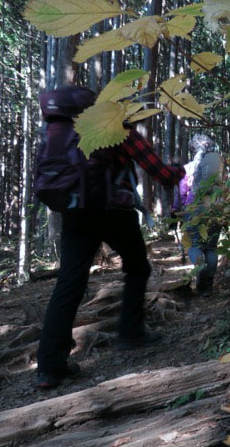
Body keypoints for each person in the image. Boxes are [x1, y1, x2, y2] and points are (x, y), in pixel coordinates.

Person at [36, 86, 185, 389]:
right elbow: (161, 174)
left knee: (69, 282)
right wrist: (183, 170)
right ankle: (130, 332)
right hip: (113, 211)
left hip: (75, 211)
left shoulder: (58, 129)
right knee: (137, 267)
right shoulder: (118, 128)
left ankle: (50, 367)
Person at [172, 134, 225, 294]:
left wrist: (176, 212)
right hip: (216, 208)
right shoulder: (220, 166)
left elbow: (181, 192)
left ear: (193, 149)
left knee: (195, 245)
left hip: (194, 209)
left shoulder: (188, 168)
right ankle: (208, 284)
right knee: (211, 247)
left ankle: (200, 269)